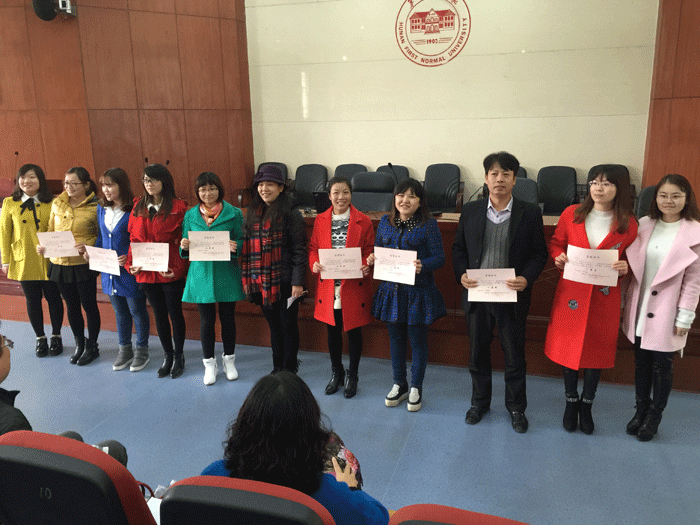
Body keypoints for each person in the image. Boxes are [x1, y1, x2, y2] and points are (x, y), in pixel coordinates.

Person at [201, 372, 389, 525]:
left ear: (244, 426)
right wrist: (352, 489)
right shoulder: (329, 493)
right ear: (310, 434)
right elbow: (379, 518)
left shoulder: (211, 477)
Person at [452, 152, 547, 433]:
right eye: (494, 173)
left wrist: (526, 278)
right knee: (477, 353)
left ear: (515, 179)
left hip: (511, 296)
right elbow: (458, 249)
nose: (499, 179)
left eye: (506, 174)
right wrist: (462, 274)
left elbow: (539, 253)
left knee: (514, 355)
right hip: (478, 295)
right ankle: (479, 403)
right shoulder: (471, 210)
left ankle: (516, 408)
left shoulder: (530, 213)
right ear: (485, 178)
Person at [544, 164, 637, 434]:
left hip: (604, 296)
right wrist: (558, 257)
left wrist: (626, 267)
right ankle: (571, 401)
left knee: (597, 349)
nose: (599, 188)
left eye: (607, 183)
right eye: (594, 183)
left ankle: (587, 404)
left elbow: (633, 259)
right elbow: (556, 243)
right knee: (569, 347)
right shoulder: (572, 214)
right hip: (572, 293)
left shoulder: (629, 223)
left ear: (619, 189)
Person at [622, 174, 700, 441]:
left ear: (687, 199)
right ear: (655, 198)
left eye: (676, 196)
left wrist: (684, 317)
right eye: (663, 195)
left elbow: (693, 282)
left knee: (662, 366)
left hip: (668, 310)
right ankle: (640, 410)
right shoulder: (643, 224)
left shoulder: (695, 232)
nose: (669, 201)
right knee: (641, 363)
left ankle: (654, 416)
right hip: (640, 306)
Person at [368, 178, 446, 412]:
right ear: (394, 198)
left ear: (420, 201)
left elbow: (439, 258)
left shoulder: (428, 225)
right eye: (401, 195)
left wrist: (424, 264)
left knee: (417, 341)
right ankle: (399, 383)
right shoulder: (385, 222)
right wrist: (372, 258)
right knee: (396, 340)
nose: (405, 200)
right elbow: (378, 250)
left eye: (412, 196)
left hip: (417, 293)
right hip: (392, 291)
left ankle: (416, 387)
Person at [0, 331, 128, 466]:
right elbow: (27, 474)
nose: (8, 350)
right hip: (38, 475)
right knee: (115, 449)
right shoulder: (12, 424)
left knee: (72, 437)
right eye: (5, 343)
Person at [309, 176, 374, 398]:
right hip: (329, 286)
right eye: (336, 192)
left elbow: (369, 250)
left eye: (345, 192)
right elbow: (313, 248)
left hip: (352, 285)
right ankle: (336, 372)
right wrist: (314, 263)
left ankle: (352, 375)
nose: (341, 197)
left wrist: (366, 265)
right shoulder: (320, 220)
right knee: (333, 332)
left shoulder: (364, 221)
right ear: (329, 196)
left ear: (351, 195)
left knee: (354, 331)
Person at [180, 172, 245, 385]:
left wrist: (236, 246)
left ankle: (229, 360)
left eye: (212, 188)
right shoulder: (190, 215)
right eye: (203, 189)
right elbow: (185, 241)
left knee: (228, 319)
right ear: (197, 192)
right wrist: (184, 246)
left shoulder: (234, 213)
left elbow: (242, 239)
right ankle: (209, 364)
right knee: (206, 321)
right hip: (201, 273)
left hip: (226, 273)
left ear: (219, 189)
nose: (207, 193)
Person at [241, 165, 306, 373]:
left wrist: (297, 282)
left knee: (288, 326)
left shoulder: (291, 212)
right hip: (262, 282)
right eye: (260, 185)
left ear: (281, 187)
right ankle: (277, 366)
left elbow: (299, 250)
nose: (264, 189)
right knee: (274, 327)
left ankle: (289, 367)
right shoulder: (253, 212)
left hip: (285, 281)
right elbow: (248, 247)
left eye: (270, 184)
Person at [126, 164, 188, 379]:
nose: (149, 184)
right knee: (159, 315)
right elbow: (133, 239)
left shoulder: (179, 207)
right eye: (145, 180)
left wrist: (178, 270)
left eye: (153, 179)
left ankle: (179, 356)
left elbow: (184, 243)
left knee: (175, 314)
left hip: (170, 271)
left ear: (164, 181)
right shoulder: (138, 206)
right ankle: (167, 355)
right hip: (146, 272)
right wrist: (131, 264)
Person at [88, 168, 150, 372]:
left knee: (137, 311)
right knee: (120, 312)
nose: (106, 190)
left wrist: (130, 257)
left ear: (121, 186)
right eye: (103, 185)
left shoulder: (135, 209)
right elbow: (101, 237)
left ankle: (142, 350)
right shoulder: (101, 208)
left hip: (129, 271)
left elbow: (140, 239)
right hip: (109, 271)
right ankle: (124, 348)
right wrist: (92, 253)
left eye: (110, 185)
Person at [37, 167, 101, 366]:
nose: (69, 187)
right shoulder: (57, 202)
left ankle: (92, 346)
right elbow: (50, 229)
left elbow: (100, 235)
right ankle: (79, 343)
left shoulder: (96, 206)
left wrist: (87, 244)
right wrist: (43, 246)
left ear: (86, 185)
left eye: (74, 183)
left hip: (83, 263)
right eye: (66, 183)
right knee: (71, 306)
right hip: (60, 263)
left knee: (89, 305)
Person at [1, 164, 64, 358]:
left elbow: (60, 229)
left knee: (54, 298)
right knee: (33, 300)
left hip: (50, 258)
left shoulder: (53, 202)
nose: (26, 181)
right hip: (24, 258)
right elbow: (4, 233)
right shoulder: (10, 203)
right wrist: (5, 260)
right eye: (23, 177)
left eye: (32, 177)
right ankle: (40, 337)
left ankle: (56, 335)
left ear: (40, 180)